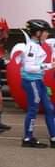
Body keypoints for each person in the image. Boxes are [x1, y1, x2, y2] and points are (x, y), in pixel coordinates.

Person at [11, 19, 55, 147]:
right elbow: (29, 68)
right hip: (31, 81)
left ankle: (53, 137)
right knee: (33, 109)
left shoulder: (38, 44)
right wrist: (49, 66)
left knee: (49, 108)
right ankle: (27, 138)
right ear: (37, 33)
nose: (47, 34)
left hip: (37, 81)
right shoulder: (31, 46)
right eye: (45, 32)